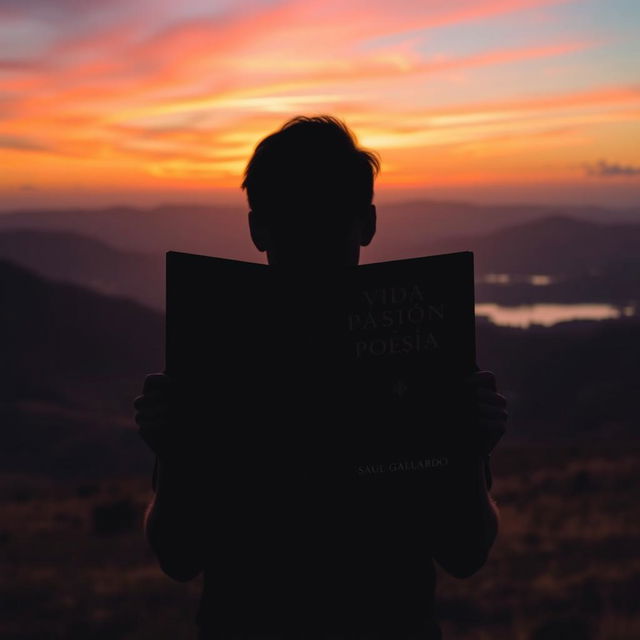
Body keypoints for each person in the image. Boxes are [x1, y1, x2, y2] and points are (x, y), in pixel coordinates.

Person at [134, 115, 508, 639]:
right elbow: (178, 555)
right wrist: (172, 451)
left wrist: (469, 447)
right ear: (257, 228)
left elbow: (466, 552)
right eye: (293, 218)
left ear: (367, 224)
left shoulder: (421, 352)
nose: (310, 239)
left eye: (327, 218)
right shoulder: (214, 355)